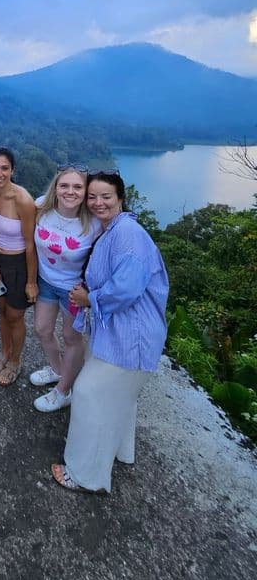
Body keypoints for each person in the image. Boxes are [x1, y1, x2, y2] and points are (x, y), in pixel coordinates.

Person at [51, 169, 169, 493]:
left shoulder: (127, 233)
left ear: (120, 198)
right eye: (93, 196)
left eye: (106, 196)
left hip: (132, 336)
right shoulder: (112, 230)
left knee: (89, 394)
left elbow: (127, 287)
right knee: (119, 397)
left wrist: (89, 298)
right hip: (118, 330)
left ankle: (85, 475)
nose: (98, 202)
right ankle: (121, 451)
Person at [30, 165, 101, 412]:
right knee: (42, 329)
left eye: (77, 187)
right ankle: (58, 370)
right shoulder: (41, 207)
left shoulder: (93, 222)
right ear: (56, 188)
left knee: (72, 338)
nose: (70, 192)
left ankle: (64, 390)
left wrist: (91, 293)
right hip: (46, 283)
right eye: (64, 186)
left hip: (74, 290)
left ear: (85, 191)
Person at [0, 147, 38, 386]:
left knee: (15, 316)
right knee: (2, 311)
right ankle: (5, 351)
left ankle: (15, 360)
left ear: (12, 170)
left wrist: (31, 281)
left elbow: (31, 245)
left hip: (19, 263)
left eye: (4, 168)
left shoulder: (23, 200)